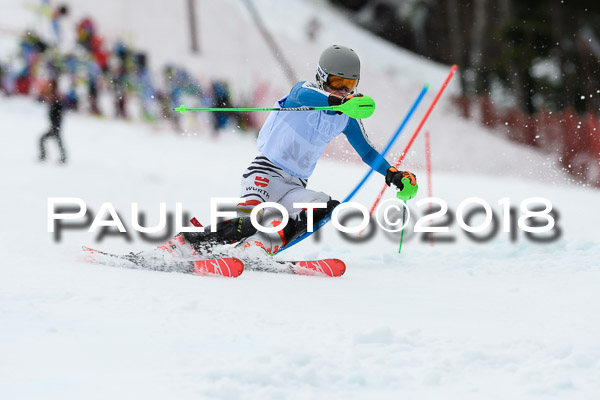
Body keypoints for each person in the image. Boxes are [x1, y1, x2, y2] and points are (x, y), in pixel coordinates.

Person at [159, 45, 417, 258]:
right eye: (337, 82)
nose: (343, 90)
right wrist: (342, 101)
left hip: (295, 187)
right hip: (265, 174)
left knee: (325, 207)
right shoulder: (303, 94)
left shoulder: (346, 117)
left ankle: (258, 247)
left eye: (349, 85)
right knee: (248, 223)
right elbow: (302, 94)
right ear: (321, 77)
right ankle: (186, 242)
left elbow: (368, 153)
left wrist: (393, 174)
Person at [39, 79, 67, 163]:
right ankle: (62, 157)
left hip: (55, 126)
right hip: (55, 126)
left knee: (45, 139)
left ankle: (45, 156)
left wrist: (56, 126)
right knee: (57, 141)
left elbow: (59, 113)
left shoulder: (56, 99)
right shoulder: (54, 98)